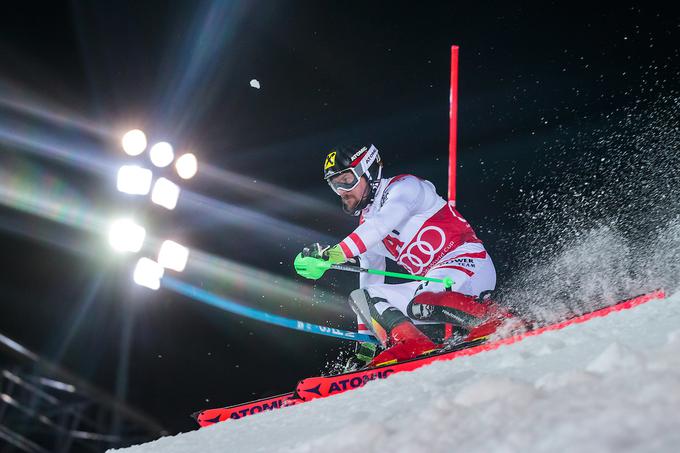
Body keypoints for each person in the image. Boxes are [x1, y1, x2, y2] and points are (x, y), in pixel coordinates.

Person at [297, 144, 514, 367]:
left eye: (347, 180)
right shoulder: (366, 223)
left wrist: (332, 254)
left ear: (368, 172)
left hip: (469, 263)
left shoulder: (404, 187)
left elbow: (381, 226)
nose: (342, 190)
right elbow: (370, 276)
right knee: (363, 296)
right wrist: (367, 345)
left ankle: (500, 321)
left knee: (422, 299)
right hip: (434, 284)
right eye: (335, 184)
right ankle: (412, 343)